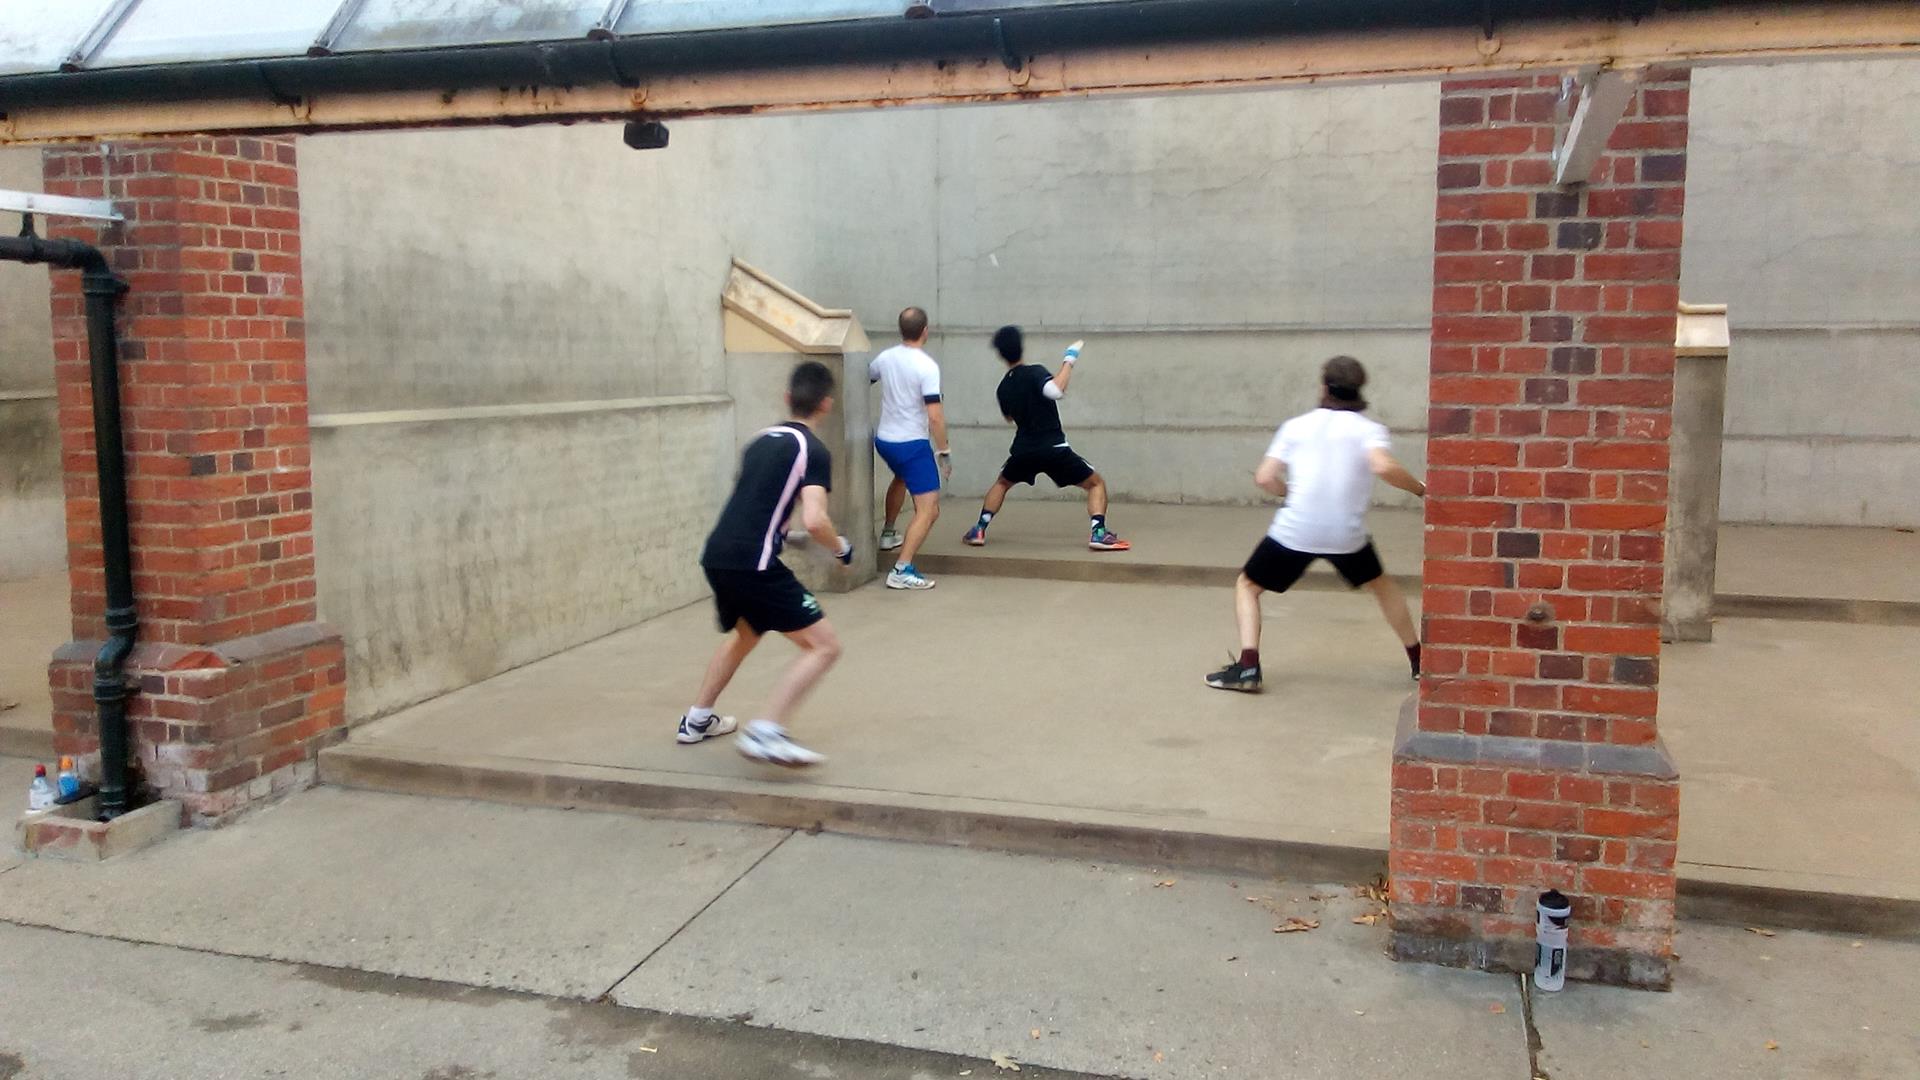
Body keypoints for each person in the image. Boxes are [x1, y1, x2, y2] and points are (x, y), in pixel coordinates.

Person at [1205, 355, 1424, 693]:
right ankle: (1418, 661)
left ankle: (1248, 667)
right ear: (1359, 389)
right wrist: (1421, 490)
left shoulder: (1296, 427)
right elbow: (1382, 466)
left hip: (1295, 530)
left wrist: (1288, 492)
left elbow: (1264, 478)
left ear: (1324, 387)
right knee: (1383, 588)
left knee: (1248, 586)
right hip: (1346, 536)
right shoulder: (1370, 430)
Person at [677, 360, 851, 766]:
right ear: (826, 404)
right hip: (754, 565)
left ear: (788, 397)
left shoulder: (757, 441)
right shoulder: (813, 449)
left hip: (718, 556)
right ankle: (766, 731)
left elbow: (756, 508)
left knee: (746, 633)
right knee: (824, 647)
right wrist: (839, 547)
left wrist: (786, 537)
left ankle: (697, 719)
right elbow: (815, 518)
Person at [962, 326, 1129, 552]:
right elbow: (1055, 391)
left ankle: (979, 529)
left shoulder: (1003, 387)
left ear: (1000, 353)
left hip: (1023, 450)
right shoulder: (1035, 372)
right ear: (1021, 347)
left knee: (1002, 483)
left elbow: (1009, 417)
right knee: (1096, 483)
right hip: (1054, 448)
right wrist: (1069, 359)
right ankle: (1098, 533)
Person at [869, 306, 951, 590]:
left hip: (885, 441)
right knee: (929, 510)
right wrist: (943, 451)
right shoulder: (927, 366)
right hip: (912, 445)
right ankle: (901, 569)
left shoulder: (884, 358)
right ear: (925, 331)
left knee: (902, 477)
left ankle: (889, 533)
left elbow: (866, 377)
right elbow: (935, 416)